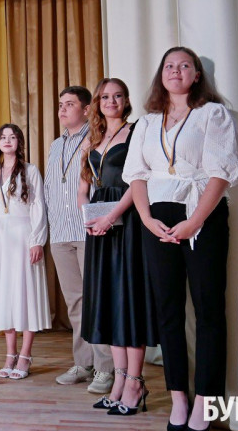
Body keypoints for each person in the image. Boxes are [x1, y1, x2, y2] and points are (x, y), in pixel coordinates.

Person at [123, 47, 238, 431]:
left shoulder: (212, 114)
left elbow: (221, 173)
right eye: (169, 66)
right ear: (161, 74)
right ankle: (178, 398)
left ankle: (205, 402)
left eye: (184, 65)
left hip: (202, 215)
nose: (176, 71)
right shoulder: (147, 122)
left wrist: (195, 222)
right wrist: (146, 219)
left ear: (196, 75)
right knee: (168, 311)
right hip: (157, 219)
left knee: (209, 310)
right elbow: (136, 175)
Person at [78, 78, 158, 415]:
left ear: (126, 101)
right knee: (110, 302)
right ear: (97, 102)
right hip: (99, 224)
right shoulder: (92, 137)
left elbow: (138, 181)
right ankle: (119, 382)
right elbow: (83, 186)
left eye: (118, 96)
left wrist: (111, 216)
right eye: (105, 97)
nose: (111, 101)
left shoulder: (137, 131)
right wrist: (88, 215)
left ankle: (135, 383)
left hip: (127, 221)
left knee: (128, 300)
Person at [44, 86, 114, 393]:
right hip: (60, 233)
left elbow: (105, 184)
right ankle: (83, 363)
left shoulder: (97, 139)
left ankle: (106, 368)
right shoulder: (56, 145)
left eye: (69, 104)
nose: (62, 109)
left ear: (86, 110)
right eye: (60, 104)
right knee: (75, 303)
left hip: (88, 231)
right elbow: (50, 188)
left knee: (97, 299)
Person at [0, 123, 51, 380]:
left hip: (23, 236)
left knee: (27, 293)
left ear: (19, 142)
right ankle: (10, 353)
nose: (7, 140)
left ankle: (26, 354)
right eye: (3, 137)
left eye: (12, 137)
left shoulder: (30, 171)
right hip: (0, 239)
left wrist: (36, 240)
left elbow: (38, 206)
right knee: (5, 295)